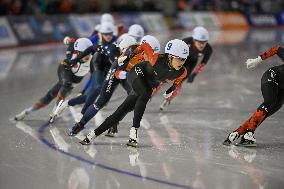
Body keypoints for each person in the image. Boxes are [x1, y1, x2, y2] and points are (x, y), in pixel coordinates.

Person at [79, 39, 189, 147]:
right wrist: (130, 56)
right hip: (137, 72)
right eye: (179, 59)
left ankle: (92, 135)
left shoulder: (182, 72)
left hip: (148, 83)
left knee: (120, 112)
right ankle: (134, 131)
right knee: (146, 93)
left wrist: (171, 89)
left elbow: (178, 81)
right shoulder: (155, 58)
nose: (182, 62)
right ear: (170, 56)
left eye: (184, 59)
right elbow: (145, 45)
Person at [65, 35, 160, 137]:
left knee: (133, 100)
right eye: (149, 53)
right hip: (116, 71)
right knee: (101, 101)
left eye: (153, 53)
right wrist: (75, 60)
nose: (151, 56)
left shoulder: (146, 54)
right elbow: (118, 74)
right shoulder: (125, 53)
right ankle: (80, 124)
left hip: (126, 72)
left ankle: (113, 121)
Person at [14, 38, 94, 121]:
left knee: (50, 96)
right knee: (66, 84)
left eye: (89, 53)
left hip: (73, 81)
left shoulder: (93, 61)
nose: (87, 56)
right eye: (84, 53)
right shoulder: (72, 51)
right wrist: (67, 40)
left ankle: (27, 111)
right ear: (77, 52)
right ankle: (54, 112)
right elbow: (69, 41)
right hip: (65, 70)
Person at [223, 45, 284, 147]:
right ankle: (249, 133)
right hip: (271, 76)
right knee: (270, 101)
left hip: (282, 88)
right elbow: (277, 49)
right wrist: (258, 60)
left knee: (270, 109)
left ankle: (237, 132)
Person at [159, 26, 213, 110]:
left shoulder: (208, 49)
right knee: (165, 76)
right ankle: (152, 91)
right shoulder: (185, 42)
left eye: (204, 42)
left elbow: (203, 63)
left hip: (190, 64)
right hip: (179, 60)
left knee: (180, 81)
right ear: (194, 40)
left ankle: (168, 100)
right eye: (200, 42)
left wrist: (194, 74)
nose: (202, 45)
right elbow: (171, 51)